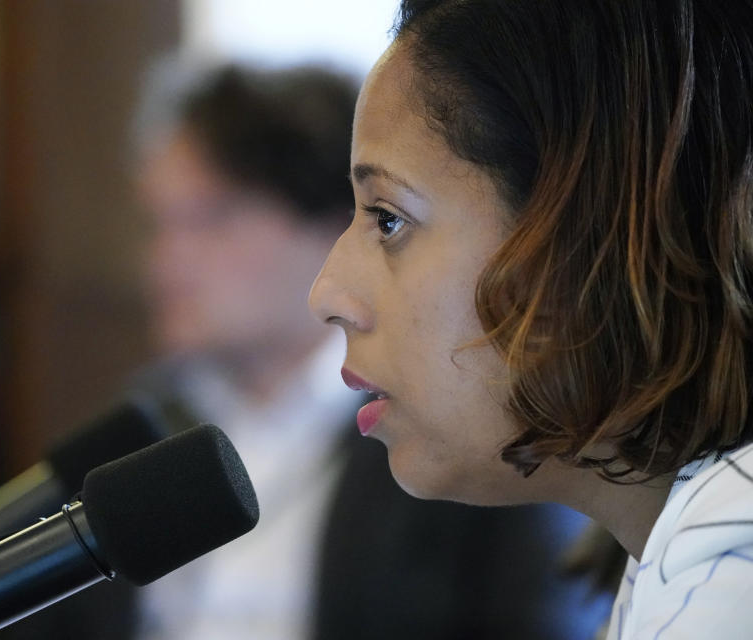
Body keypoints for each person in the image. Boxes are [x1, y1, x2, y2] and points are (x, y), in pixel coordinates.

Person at [2, 62, 608, 640]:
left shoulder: (449, 429)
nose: (167, 262)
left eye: (211, 218)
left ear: (330, 224)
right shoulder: (132, 431)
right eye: (160, 224)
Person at [308, 2, 753, 639]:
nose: (326, 295)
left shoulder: (734, 573)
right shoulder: (684, 554)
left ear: (586, 236)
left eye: (388, 218)